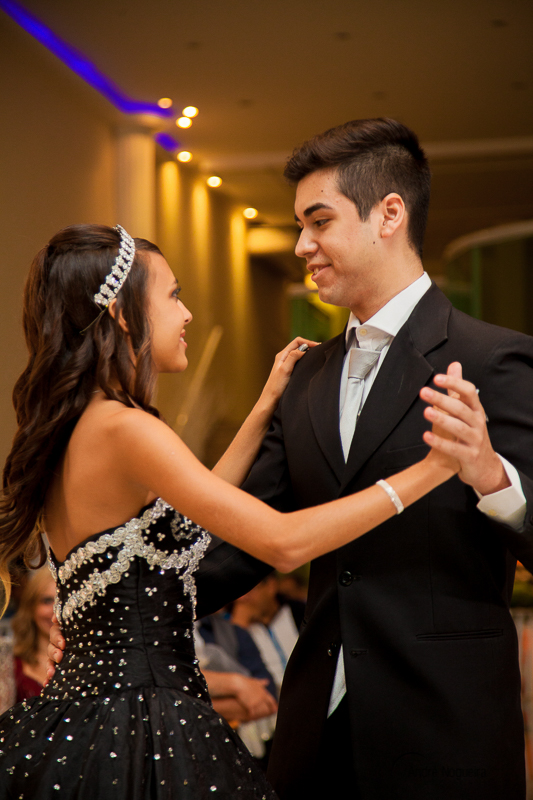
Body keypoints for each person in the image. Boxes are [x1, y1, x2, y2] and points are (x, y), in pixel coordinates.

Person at [0, 222, 460, 799]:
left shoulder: (81, 425)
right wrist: (429, 472)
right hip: (143, 723)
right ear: (121, 314)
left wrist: (267, 401)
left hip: (80, 716)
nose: (187, 313)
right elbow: (281, 543)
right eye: (172, 295)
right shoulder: (126, 428)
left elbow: (191, 511)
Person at [181, 118, 533, 800]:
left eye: (318, 222)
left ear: (388, 215)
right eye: (297, 225)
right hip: (311, 733)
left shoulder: (493, 357)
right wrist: (122, 606)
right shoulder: (306, 377)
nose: (300, 246)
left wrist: (492, 479)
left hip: (444, 728)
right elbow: (246, 537)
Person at [11, 565, 56, 701]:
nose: (55, 611)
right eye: (47, 601)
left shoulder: (90, 665)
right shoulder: (9, 666)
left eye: (63, 602)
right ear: (31, 607)